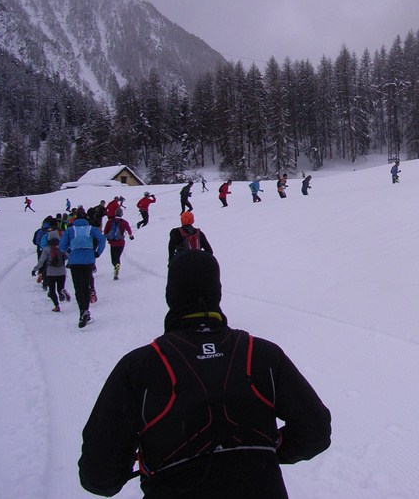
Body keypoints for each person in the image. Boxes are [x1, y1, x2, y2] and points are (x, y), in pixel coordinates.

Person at [79, 250, 332, 498]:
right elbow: (315, 431)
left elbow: (99, 475)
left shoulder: (140, 366)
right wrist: (261, 453)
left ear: (171, 295)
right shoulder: (262, 354)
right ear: (217, 293)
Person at [59, 207, 107, 328]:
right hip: (89, 259)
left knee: (78, 286)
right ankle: (86, 310)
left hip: (74, 260)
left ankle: (82, 311)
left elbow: (62, 246)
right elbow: (102, 239)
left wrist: (70, 252)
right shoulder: (91, 229)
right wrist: (97, 252)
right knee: (86, 285)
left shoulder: (70, 230)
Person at [32, 232, 71, 311]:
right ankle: (62, 292)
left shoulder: (46, 249)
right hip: (62, 272)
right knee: (60, 288)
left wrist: (35, 269)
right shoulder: (62, 247)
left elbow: (41, 261)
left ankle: (57, 306)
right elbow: (69, 256)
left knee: (52, 290)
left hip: (50, 273)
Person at [103, 208, 134, 280]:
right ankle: (116, 268)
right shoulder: (124, 222)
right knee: (118, 256)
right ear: (121, 214)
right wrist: (131, 236)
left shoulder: (109, 221)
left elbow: (105, 231)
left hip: (112, 243)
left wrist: (106, 237)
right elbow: (129, 230)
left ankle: (116, 266)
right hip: (121, 243)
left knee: (114, 258)